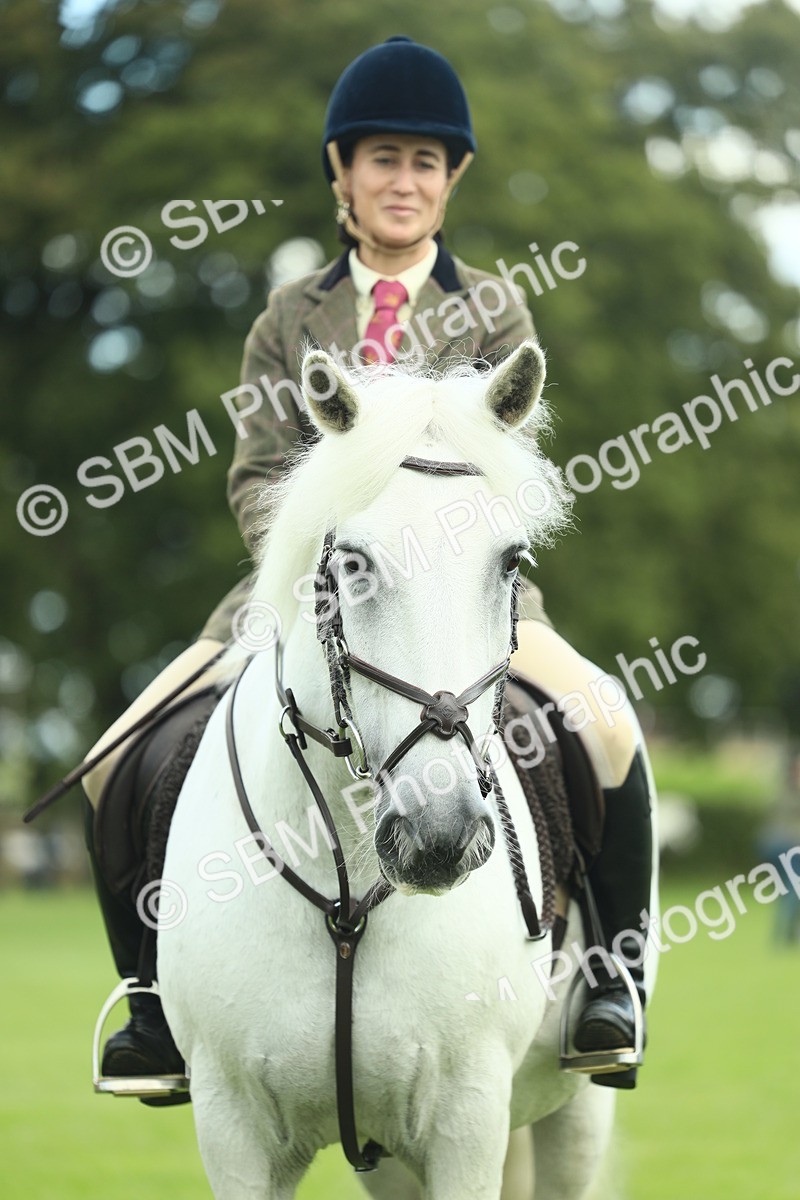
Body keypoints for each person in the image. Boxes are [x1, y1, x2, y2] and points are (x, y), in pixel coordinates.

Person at [82, 35, 653, 1093]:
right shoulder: (285, 319)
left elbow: (505, 478)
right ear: (341, 173)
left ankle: (612, 980)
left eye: (426, 163)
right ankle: (154, 1009)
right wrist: (308, 571)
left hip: (472, 599)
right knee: (115, 757)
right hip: (294, 594)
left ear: (453, 180)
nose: (404, 181)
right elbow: (257, 474)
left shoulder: (494, 313)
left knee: (608, 728)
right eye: (383, 158)